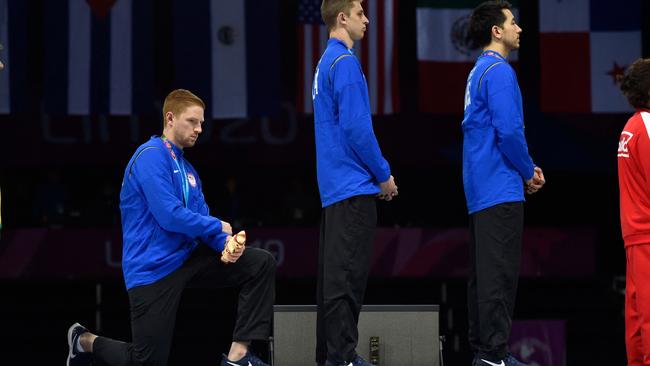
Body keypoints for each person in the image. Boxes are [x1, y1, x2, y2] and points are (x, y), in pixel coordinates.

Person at [66, 89, 276, 366]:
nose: (200, 129)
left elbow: (201, 218)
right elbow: (169, 216)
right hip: (152, 271)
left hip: (187, 259)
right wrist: (219, 226)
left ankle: (239, 356)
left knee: (260, 263)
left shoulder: (188, 170)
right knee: (147, 361)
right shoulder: (150, 157)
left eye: (202, 123)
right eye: (193, 121)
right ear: (170, 118)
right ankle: (84, 341)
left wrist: (224, 245)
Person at [311, 1, 398, 366]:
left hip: (334, 189)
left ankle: (330, 357)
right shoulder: (344, 63)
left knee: (332, 279)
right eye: (361, 13)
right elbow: (357, 129)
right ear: (342, 17)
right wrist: (383, 174)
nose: (367, 19)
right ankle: (343, 358)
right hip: (352, 186)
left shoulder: (323, 63)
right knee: (346, 280)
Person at [461, 2, 545, 365]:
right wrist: (528, 171)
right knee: (499, 276)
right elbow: (509, 131)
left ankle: (485, 353)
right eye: (513, 22)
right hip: (499, 186)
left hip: (482, 188)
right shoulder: (498, 71)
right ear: (497, 30)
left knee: (484, 276)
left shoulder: (479, 70)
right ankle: (493, 356)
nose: (520, 29)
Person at [617, 58, 650, 366]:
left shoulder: (631, 126)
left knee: (638, 319)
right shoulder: (648, 126)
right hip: (648, 236)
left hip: (635, 235)